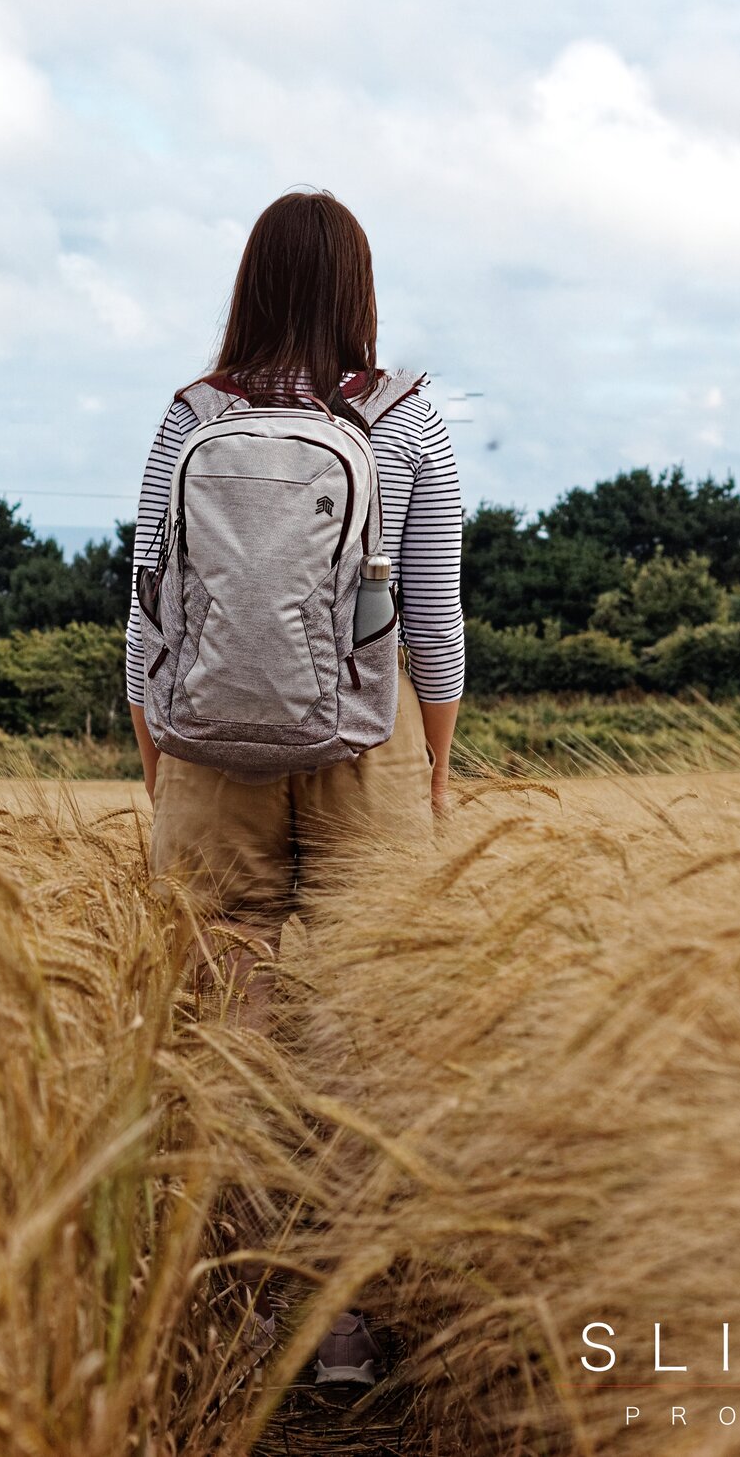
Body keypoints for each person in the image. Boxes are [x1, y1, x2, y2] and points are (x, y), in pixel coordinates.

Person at [123, 188, 464, 1389]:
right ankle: (348, 1322)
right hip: (365, 742)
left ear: (250, 281)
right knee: (372, 1032)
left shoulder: (189, 415)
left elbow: (144, 610)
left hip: (210, 745)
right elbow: (433, 613)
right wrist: (430, 774)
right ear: (359, 288)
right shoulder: (410, 419)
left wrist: (164, 767)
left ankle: (238, 1309)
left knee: (229, 1036)